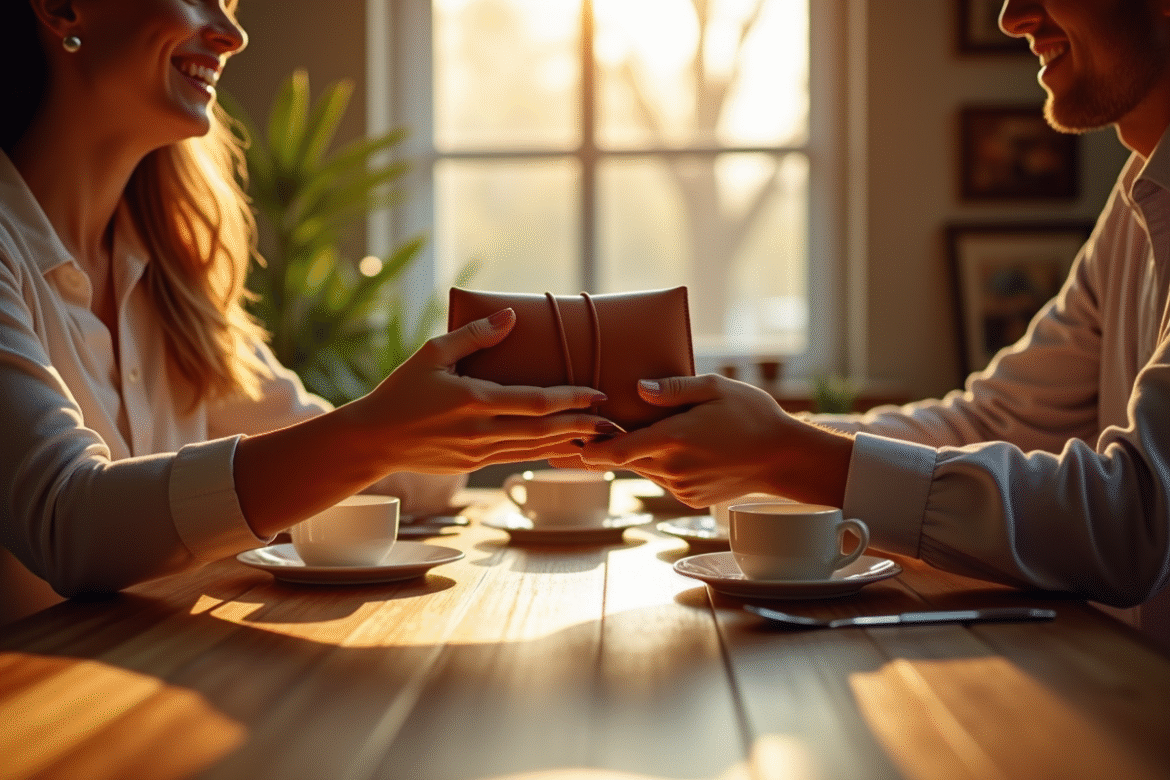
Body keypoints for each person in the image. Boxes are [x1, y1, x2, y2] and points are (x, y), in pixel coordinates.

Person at [574, 0, 1170, 652]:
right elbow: (990, 423)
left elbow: (1136, 523)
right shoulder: (1139, 196)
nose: (1012, 16)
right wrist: (767, 444)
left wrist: (783, 454)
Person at [0, 0, 613, 624]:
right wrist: (380, 436)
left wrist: (449, 434)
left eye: (230, 4)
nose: (232, 35)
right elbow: (64, 521)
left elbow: (300, 439)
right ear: (62, 8)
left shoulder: (170, 273)